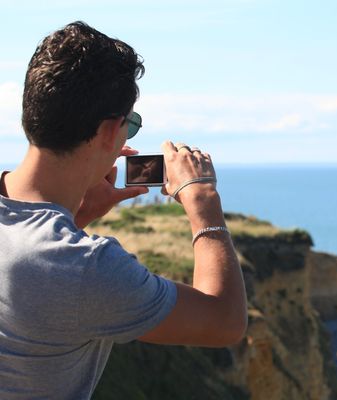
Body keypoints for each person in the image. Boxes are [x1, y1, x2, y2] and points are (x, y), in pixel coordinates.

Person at [0, 21, 247, 398]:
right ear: (109, 133)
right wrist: (203, 202)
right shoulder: (85, 267)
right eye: (130, 125)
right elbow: (224, 322)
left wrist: (74, 218)